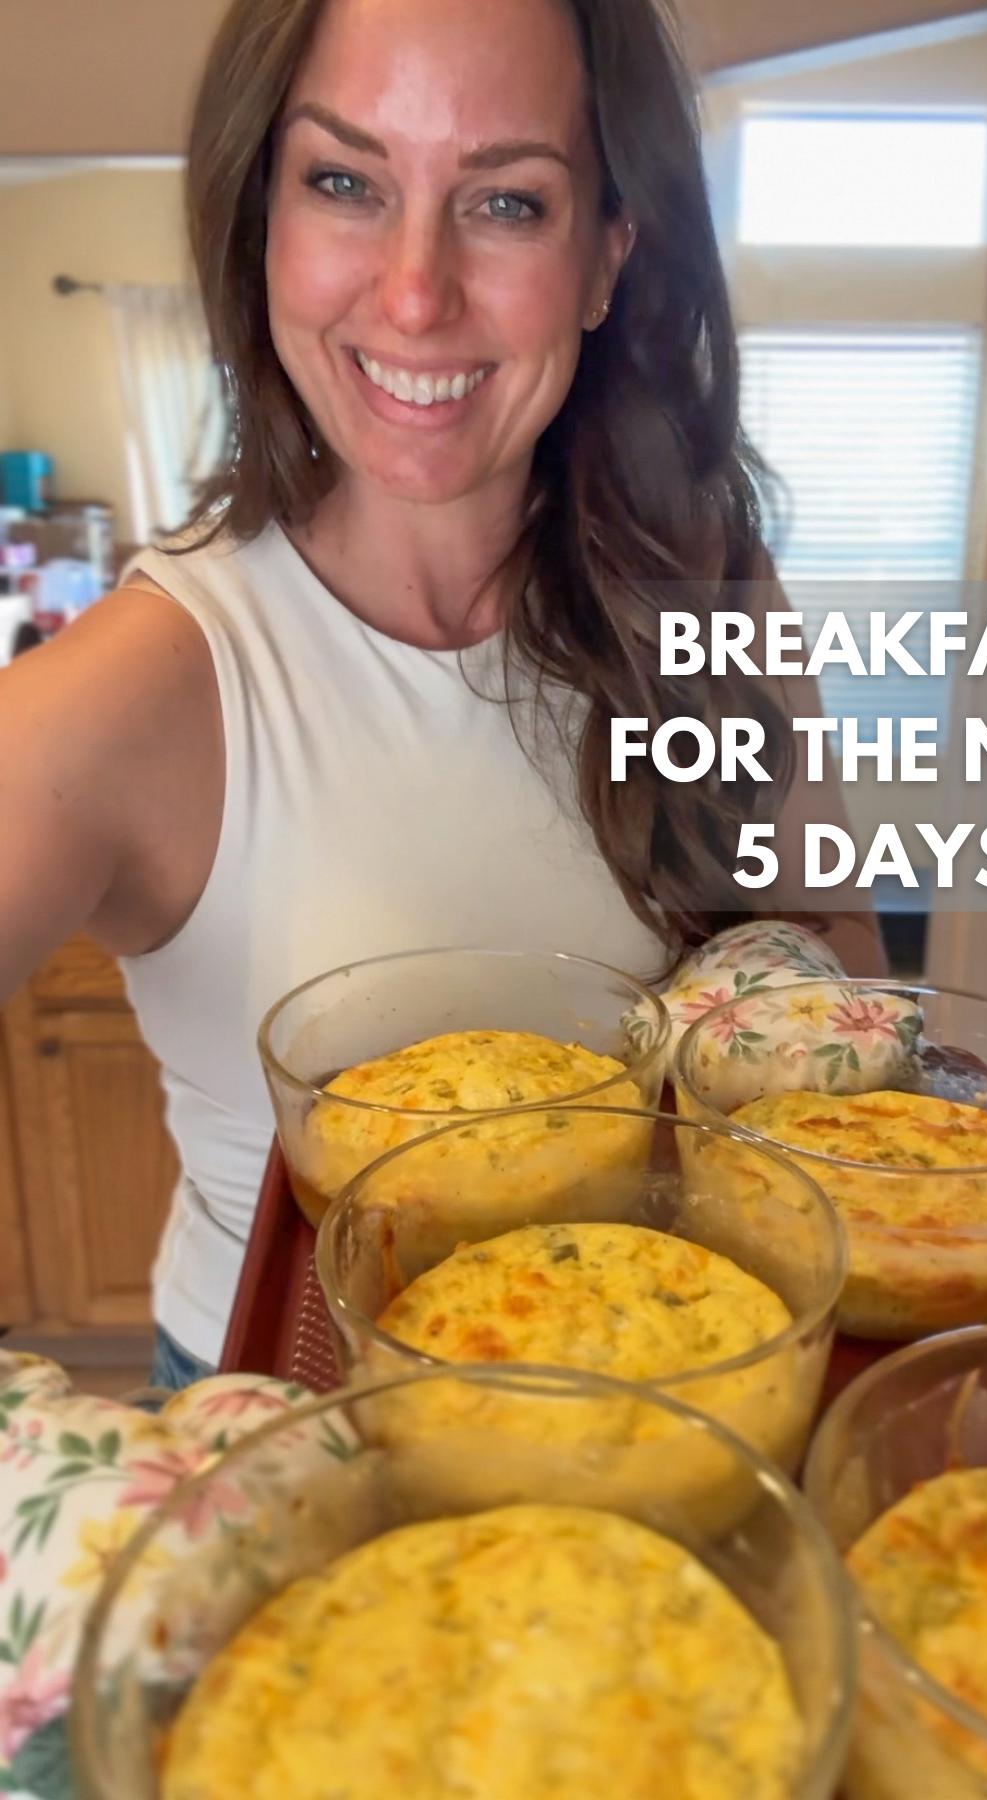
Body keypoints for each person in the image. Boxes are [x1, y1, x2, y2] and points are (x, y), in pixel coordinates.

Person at [0, 0, 883, 1389]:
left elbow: (838, 977)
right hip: (290, 1437)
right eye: (346, 183)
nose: (415, 294)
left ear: (607, 258)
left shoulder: (710, 581)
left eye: (508, 203)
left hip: (668, 1384)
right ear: (262, 223)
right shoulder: (138, 687)